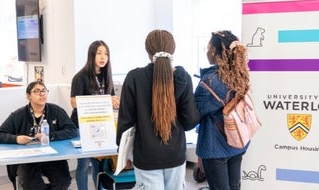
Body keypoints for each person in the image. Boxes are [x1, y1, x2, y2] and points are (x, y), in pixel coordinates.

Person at [116, 29, 200, 190]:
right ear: (172, 50)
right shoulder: (183, 78)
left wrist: (122, 152)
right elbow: (190, 122)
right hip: (175, 155)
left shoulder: (134, 77)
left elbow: (125, 122)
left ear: (148, 51)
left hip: (146, 156)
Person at [0, 81, 78, 190]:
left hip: (52, 157)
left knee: (63, 182)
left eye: (44, 91)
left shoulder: (56, 111)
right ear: (28, 96)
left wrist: (50, 136)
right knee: (33, 186)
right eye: (37, 91)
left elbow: (72, 130)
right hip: (27, 159)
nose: (42, 94)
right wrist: (16, 139)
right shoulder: (19, 114)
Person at [194, 30, 251, 190]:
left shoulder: (210, 81)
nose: (207, 51)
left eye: (208, 47)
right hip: (237, 140)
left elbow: (193, 114)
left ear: (214, 51)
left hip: (215, 147)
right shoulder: (240, 74)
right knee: (234, 187)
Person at [70, 40, 120, 190]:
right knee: (84, 164)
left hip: (101, 124)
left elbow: (110, 100)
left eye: (106, 54)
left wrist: (115, 102)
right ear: (92, 55)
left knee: (99, 163)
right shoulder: (81, 76)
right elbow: (74, 102)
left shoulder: (107, 76)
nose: (103, 57)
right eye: (99, 53)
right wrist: (105, 100)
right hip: (82, 125)